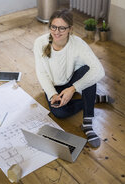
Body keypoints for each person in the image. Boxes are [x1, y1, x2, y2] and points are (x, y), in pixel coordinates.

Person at [33, 9, 105, 148]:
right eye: (53, 27)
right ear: (49, 27)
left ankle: (87, 122)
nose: (57, 32)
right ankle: (92, 99)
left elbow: (99, 71)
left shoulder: (78, 44)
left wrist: (73, 89)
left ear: (70, 29)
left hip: (72, 80)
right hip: (54, 85)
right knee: (60, 113)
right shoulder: (39, 43)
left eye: (62, 28)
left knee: (88, 70)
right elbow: (41, 73)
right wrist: (52, 93)